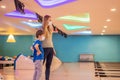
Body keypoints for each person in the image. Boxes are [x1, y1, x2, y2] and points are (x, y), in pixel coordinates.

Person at [42, 15, 55, 80]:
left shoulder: (50, 29)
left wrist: (53, 49)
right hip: (44, 48)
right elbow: (43, 36)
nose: (50, 21)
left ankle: (47, 79)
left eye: (51, 20)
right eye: (49, 20)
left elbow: (51, 40)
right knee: (41, 64)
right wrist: (46, 26)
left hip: (50, 48)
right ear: (46, 20)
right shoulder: (42, 28)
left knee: (48, 66)